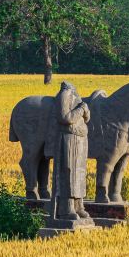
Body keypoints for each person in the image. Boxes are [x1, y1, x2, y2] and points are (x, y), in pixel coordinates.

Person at [52, 81, 91, 220]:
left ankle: (79, 205)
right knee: (69, 172)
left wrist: (85, 111)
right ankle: (66, 207)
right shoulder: (64, 95)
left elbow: (87, 118)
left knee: (79, 173)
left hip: (80, 139)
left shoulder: (76, 96)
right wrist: (81, 109)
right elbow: (65, 118)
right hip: (69, 139)